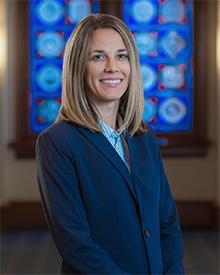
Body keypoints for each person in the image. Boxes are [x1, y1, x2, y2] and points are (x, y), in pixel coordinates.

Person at [36, 13, 184, 275]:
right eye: (98, 56)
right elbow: (76, 245)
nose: (112, 67)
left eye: (122, 56)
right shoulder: (57, 143)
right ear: (78, 67)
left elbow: (166, 222)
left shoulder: (143, 136)